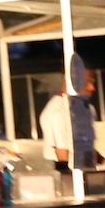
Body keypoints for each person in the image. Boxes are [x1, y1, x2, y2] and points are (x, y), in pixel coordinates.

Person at [38, 55, 98, 184]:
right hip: (72, 183)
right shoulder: (58, 113)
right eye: (88, 81)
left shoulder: (81, 109)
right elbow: (63, 158)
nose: (92, 88)